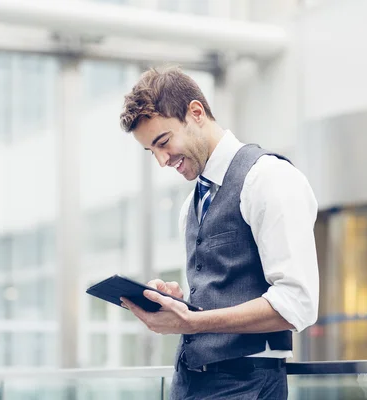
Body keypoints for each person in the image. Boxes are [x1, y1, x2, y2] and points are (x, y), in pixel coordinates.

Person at [118, 66, 319, 400]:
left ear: (196, 113)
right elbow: (220, 288)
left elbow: (298, 303)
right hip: (189, 382)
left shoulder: (269, 179)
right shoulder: (192, 204)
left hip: (247, 384)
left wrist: (193, 322)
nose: (162, 161)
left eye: (163, 142)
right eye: (151, 151)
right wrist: (178, 302)